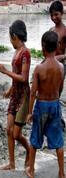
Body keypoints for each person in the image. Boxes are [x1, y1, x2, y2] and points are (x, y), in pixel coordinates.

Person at [25, 31, 65, 178]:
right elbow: (60, 88)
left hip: (41, 106)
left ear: (42, 48)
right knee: (58, 141)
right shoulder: (61, 68)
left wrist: (29, 112)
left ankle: (32, 170)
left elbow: (33, 93)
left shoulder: (39, 69)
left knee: (35, 139)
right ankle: (61, 173)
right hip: (54, 104)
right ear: (57, 46)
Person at [0, 20, 30, 170]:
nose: (10, 41)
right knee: (8, 129)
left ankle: (29, 150)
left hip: (23, 97)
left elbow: (24, 78)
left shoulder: (25, 53)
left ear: (14, 36)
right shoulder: (16, 52)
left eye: (10, 37)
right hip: (15, 95)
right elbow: (16, 77)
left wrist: (5, 71)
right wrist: (9, 90)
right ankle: (12, 163)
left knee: (16, 134)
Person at [49, 1, 66, 76]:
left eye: (56, 14)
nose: (53, 17)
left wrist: (60, 57)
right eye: (51, 15)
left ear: (62, 13)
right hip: (49, 65)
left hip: (60, 66)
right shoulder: (51, 30)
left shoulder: (65, 31)